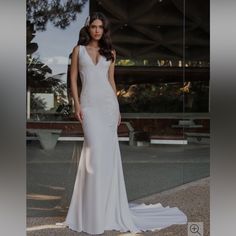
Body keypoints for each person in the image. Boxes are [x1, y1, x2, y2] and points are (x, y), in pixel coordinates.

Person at [57, 12, 187, 235]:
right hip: (88, 106)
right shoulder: (78, 50)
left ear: (104, 30)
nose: (97, 30)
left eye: (100, 27)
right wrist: (76, 105)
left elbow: (111, 81)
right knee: (93, 155)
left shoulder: (111, 53)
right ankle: (90, 212)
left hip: (108, 107)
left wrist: (117, 109)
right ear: (88, 29)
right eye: (93, 26)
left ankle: (105, 210)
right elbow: (73, 79)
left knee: (105, 159)